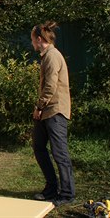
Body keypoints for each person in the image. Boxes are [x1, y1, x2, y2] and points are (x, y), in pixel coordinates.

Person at [30, 21, 75, 206]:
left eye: (32, 40)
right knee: (39, 147)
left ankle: (66, 194)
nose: (32, 44)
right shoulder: (47, 56)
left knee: (59, 153)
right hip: (47, 111)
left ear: (39, 39)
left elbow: (50, 86)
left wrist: (39, 106)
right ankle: (51, 188)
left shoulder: (52, 56)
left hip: (55, 111)